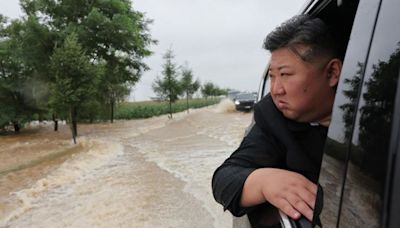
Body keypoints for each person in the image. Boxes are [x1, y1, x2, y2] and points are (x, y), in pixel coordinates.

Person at [212, 15, 343, 227]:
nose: (275, 90)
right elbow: (224, 179)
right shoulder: (272, 117)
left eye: (285, 74)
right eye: (272, 76)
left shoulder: (374, 119)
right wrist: (264, 182)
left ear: (332, 73)